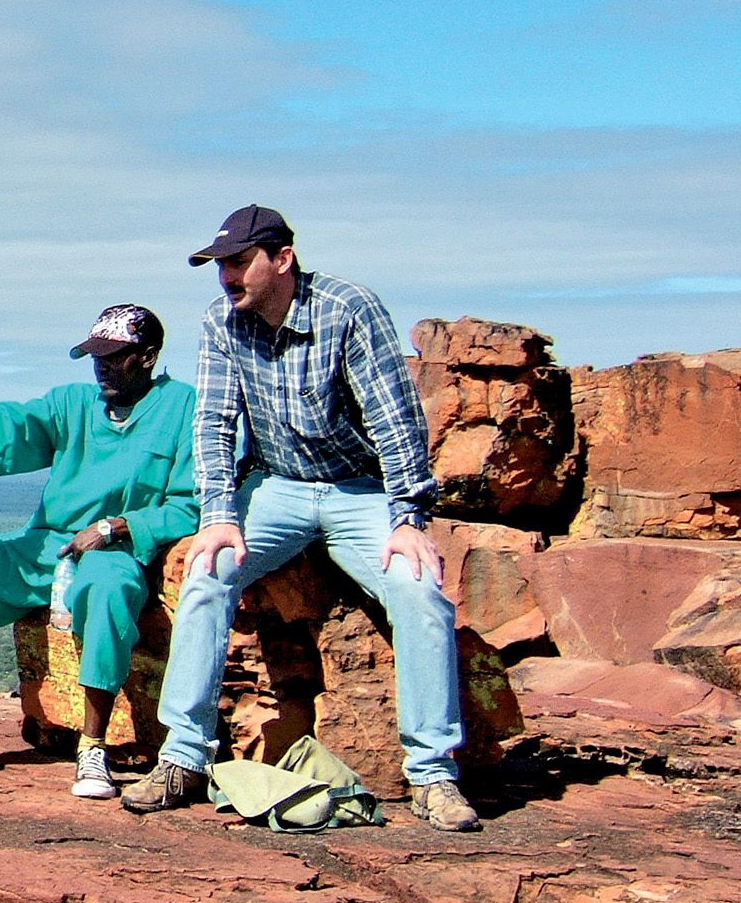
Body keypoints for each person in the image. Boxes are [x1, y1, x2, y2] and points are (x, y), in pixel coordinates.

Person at [123, 205, 478, 832]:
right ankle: (183, 758)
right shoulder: (220, 322)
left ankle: (433, 775)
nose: (226, 277)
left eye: (238, 262)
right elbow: (213, 422)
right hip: (276, 487)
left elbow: (397, 422)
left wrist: (407, 518)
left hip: (360, 491)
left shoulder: (348, 310)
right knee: (208, 570)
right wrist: (218, 513)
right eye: (220, 265)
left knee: (419, 592)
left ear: (281, 259)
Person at [0, 305, 198, 801]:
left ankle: (93, 747)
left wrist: (117, 526)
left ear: (148, 357)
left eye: (115, 357)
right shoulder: (74, 404)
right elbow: (15, 425)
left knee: (108, 589)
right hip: (47, 544)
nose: (101, 367)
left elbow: (190, 503)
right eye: (96, 357)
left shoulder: (183, 408)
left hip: (117, 549)